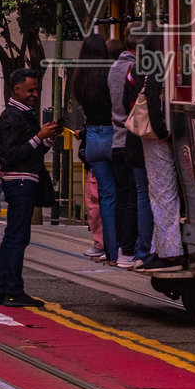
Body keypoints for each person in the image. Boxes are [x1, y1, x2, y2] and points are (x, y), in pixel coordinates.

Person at [0, 67, 59, 307]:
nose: (34, 94)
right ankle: (12, 290)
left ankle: (1, 289)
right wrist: (39, 137)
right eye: (30, 89)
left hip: (23, 179)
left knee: (13, 236)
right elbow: (11, 155)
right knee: (17, 237)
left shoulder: (24, 114)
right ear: (16, 88)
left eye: (37, 90)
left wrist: (47, 138)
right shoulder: (11, 117)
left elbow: (33, 151)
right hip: (20, 180)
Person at [126, 33, 183, 271]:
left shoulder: (143, 68)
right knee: (163, 192)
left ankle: (167, 251)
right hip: (158, 139)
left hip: (153, 141)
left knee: (160, 193)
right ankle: (168, 249)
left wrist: (159, 132)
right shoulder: (160, 67)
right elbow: (152, 97)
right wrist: (162, 130)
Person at [72, 34, 120, 263]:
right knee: (124, 193)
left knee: (106, 197)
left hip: (93, 140)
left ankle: (108, 249)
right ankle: (124, 246)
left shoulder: (79, 78)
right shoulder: (110, 74)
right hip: (112, 135)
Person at [108, 34, 148, 268]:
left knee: (122, 196)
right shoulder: (134, 68)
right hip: (130, 138)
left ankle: (119, 248)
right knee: (136, 195)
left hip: (115, 138)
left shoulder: (114, 67)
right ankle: (131, 249)